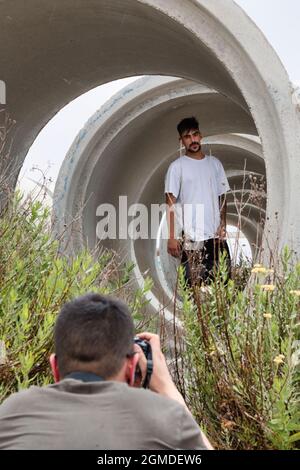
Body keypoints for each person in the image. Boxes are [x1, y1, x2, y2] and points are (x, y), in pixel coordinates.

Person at [0, 293, 212, 450]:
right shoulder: (167, 420)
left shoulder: (11, 414)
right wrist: (166, 387)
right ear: (131, 368)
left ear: (55, 367)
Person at [165, 116, 231, 287]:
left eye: (195, 135)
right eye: (187, 137)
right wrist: (171, 237)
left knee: (224, 287)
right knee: (192, 288)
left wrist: (222, 224)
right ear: (181, 141)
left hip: (216, 238)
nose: (192, 140)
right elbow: (170, 202)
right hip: (191, 239)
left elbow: (222, 196)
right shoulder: (176, 167)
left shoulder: (214, 164)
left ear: (200, 136)